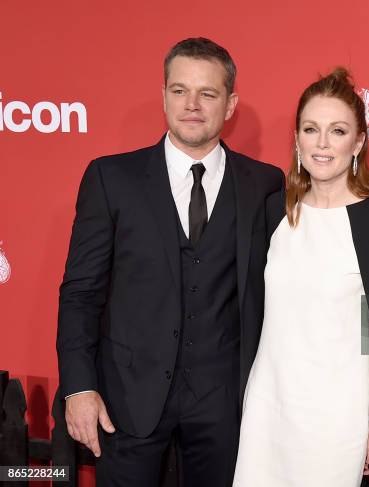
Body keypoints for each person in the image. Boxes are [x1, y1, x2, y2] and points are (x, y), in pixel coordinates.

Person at [56, 37, 284, 486]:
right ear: (163, 96)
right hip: (126, 397)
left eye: (208, 93)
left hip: (226, 406)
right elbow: (80, 293)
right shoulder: (111, 178)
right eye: (179, 90)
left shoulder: (265, 184)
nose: (192, 105)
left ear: (231, 103)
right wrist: (79, 387)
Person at [232, 68, 369, 487]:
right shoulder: (274, 212)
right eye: (311, 129)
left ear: (358, 141)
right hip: (268, 410)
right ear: (297, 139)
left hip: (337, 420)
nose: (322, 144)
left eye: (337, 130)